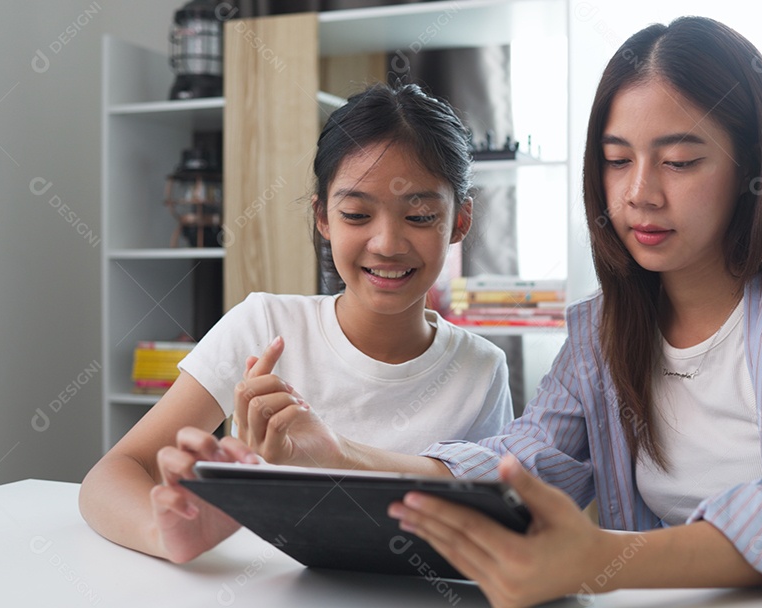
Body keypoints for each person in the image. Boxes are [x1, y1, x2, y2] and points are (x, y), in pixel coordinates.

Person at [168, 15, 762, 607]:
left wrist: (602, 563)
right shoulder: (605, 331)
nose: (639, 193)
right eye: (617, 160)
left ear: (753, 168)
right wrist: (341, 459)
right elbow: (522, 465)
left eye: (680, 161)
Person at [78, 83, 514, 564]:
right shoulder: (265, 324)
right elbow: (115, 471)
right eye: (356, 214)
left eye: (420, 215)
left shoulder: (480, 368)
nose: (387, 242)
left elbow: (493, 518)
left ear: (459, 221)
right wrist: (163, 533)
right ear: (323, 216)